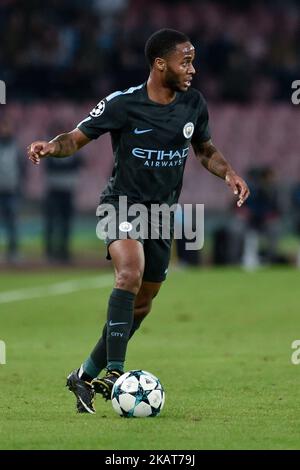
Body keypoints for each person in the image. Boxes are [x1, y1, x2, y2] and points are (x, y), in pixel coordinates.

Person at [27, 29, 250, 414]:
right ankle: (115, 374)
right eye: (186, 61)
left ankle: (83, 374)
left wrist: (228, 172)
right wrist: (50, 147)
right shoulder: (123, 104)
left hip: (162, 215)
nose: (192, 69)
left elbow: (205, 149)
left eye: (193, 60)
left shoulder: (194, 103)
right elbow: (75, 138)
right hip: (122, 206)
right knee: (129, 274)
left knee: (142, 304)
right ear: (160, 65)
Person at [0, 117, 22, 263]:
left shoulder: (16, 147)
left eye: (6, 127)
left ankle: (13, 253)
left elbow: (22, 168)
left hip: (11, 191)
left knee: (12, 224)